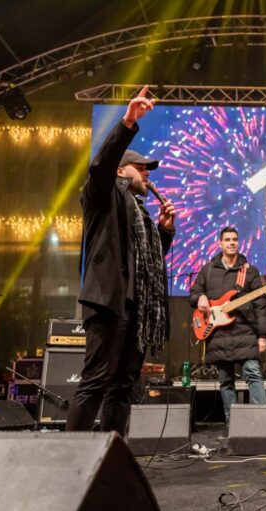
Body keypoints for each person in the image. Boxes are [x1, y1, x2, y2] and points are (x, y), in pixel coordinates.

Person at [66, 86, 176, 436]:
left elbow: (147, 262)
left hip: (135, 310)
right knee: (96, 380)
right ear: (119, 170)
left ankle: (113, 452)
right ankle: (69, 457)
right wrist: (128, 121)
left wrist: (164, 232)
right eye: (140, 168)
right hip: (107, 302)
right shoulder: (102, 196)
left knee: (123, 386)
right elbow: (100, 166)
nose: (147, 174)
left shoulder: (140, 213)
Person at [189, 227, 266, 430]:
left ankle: (264, 422)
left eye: (234, 239)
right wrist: (200, 297)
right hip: (218, 333)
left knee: (253, 374)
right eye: (227, 239)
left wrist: (262, 335)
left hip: (245, 332)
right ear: (220, 243)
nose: (232, 242)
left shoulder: (249, 271)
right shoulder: (208, 269)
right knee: (225, 381)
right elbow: (194, 293)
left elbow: (260, 306)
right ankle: (233, 424)